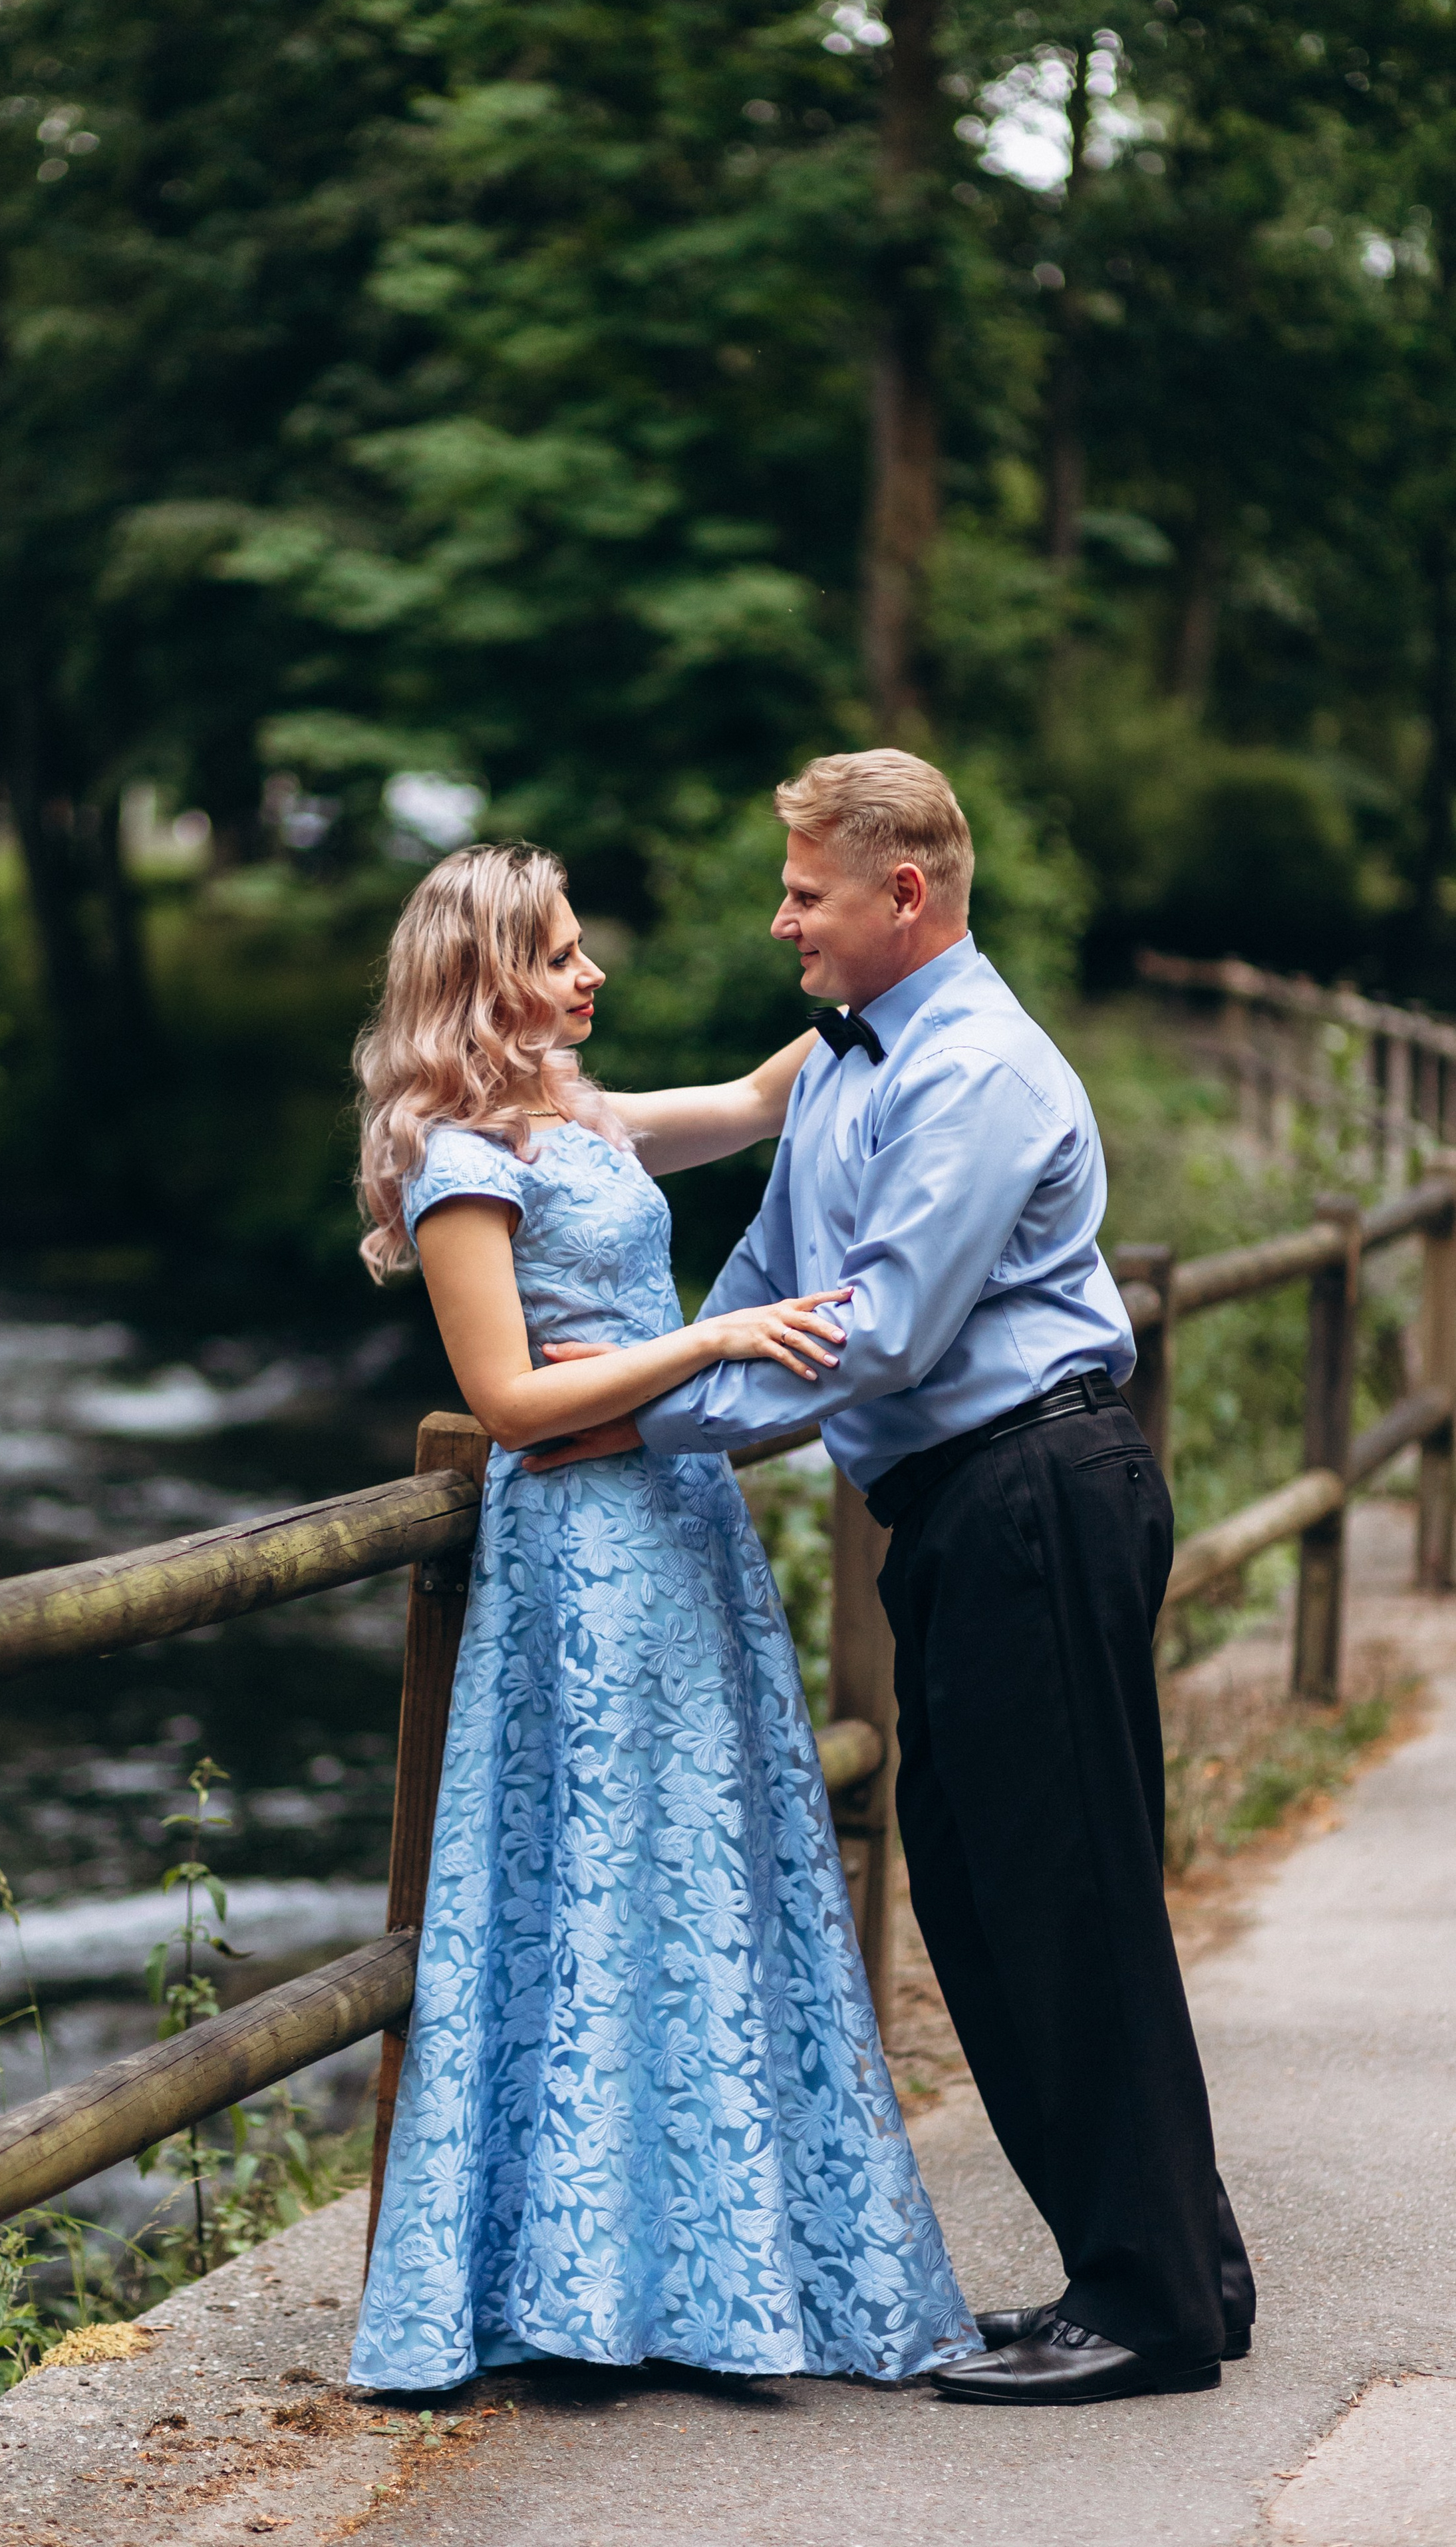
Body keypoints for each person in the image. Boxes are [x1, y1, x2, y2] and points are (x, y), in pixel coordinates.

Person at [529, 749, 1256, 2407]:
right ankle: (1165, 2265)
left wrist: (640, 1420)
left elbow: (881, 1329)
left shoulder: (979, 1072)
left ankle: (1145, 2308)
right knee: (988, 1893)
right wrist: (657, 1374)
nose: (780, 922)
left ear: (901, 893)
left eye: (804, 892)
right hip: (953, 1510)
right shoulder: (855, 1064)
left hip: (1035, 1487)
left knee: (1057, 1888)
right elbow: (765, 1278)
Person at [349, 840, 978, 2391]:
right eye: (561, 952)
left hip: (677, 1522)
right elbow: (503, 1397)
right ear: (491, 972)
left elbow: (762, 1100)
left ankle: (706, 2274)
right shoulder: (455, 1153)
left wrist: (912, 970)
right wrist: (712, 1345)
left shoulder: (579, 1115)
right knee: (603, 1874)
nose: (590, 972)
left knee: (704, 1861)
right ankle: (571, 2288)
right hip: (577, 1548)